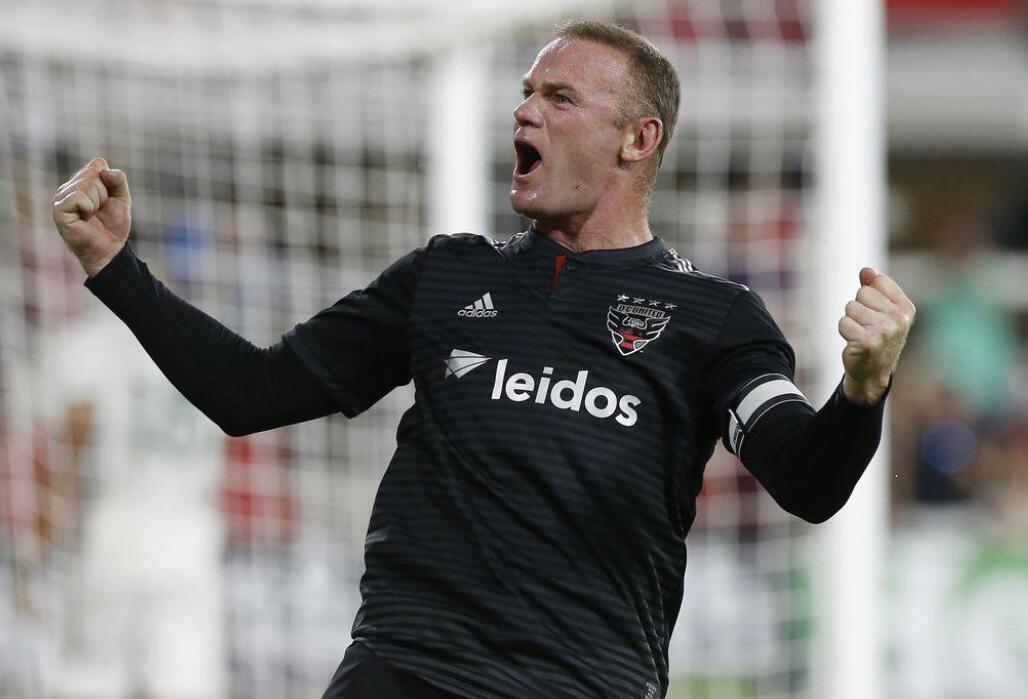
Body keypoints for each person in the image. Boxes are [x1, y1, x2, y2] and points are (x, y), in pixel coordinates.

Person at [50, 19, 915, 699]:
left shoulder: (713, 317)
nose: (525, 112)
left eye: (560, 97)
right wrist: (116, 268)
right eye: (526, 92)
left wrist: (861, 390)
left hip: (578, 682)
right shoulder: (446, 275)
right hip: (402, 666)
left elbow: (807, 480)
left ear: (637, 138)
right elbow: (250, 391)